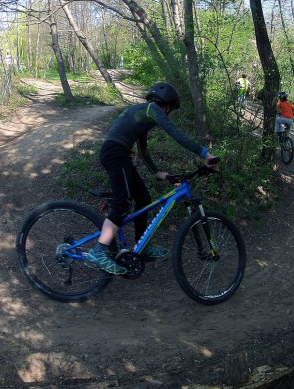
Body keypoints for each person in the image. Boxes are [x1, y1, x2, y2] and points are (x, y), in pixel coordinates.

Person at [85, 82, 219, 275]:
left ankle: (143, 246)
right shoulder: (153, 109)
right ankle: (99, 251)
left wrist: (156, 172)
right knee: (121, 206)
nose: (169, 114)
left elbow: (143, 149)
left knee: (143, 198)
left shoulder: (143, 114)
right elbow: (176, 134)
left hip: (120, 154)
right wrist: (204, 153)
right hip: (115, 154)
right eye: (171, 109)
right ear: (168, 105)